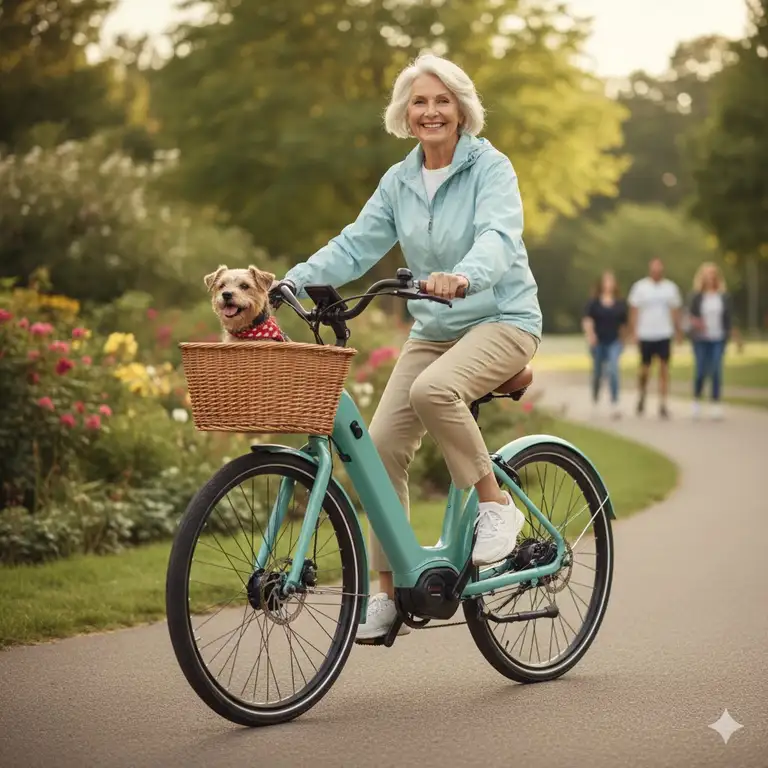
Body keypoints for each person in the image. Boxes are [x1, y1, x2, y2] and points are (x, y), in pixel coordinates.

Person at [274, 53, 542, 640]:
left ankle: (497, 505)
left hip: (501, 316)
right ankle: (390, 589)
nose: (430, 111)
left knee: (433, 389)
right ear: (405, 113)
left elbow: (499, 237)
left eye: (442, 100)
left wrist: (465, 275)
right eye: (419, 102)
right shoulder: (399, 180)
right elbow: (356, 244)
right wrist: (292, 279)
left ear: (462, 109)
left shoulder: (490, 168)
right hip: (435, 328)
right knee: (380, 449)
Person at [627, 258, 683, 419]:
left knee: (664, 369)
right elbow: (634, 310)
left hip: (664, 333)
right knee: (645, 369)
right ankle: (642, 394)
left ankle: (663, 403)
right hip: (646, 334)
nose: (656, 273)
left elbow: (675, 311)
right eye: (654, 270)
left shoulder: (670, 288)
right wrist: (634, 331)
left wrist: (678, 331)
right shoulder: (640, 288)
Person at [686, 262, 734, 420]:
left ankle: (715, 403)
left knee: (716, 370)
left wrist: (732, 334)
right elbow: (689, 317)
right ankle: (696, 400)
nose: (709, 278)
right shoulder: (696, 297)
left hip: (718, 338)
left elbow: (728, 318)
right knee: (700, 371)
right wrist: (696, 323)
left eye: (712, 274)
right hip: (700, 339)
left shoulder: (723, 297)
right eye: (706, 275)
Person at [582, 271, 628, 419]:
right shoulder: (594, 303)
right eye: (606, 281)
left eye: (611, 281)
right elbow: (587, 320)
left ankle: (615, 403)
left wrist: (623, 340)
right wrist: (591, 335)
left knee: (613, 369)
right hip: (598, 341)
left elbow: (624, 324)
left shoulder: (619, 304)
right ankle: (595, 397)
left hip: (614, 341)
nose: (608, 284)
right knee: (597, 373)